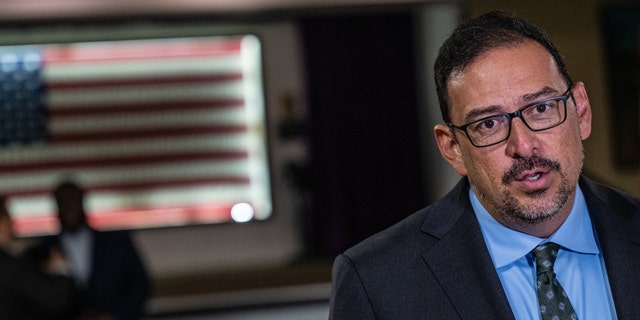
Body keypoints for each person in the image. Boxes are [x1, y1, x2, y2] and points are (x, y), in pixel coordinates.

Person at [329, 10, 640, 319]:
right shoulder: (376, 283)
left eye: (542, 108)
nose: (523, 145)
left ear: (581, 112)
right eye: (489, 124)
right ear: (452, 148)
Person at [29, 180, 152, 320]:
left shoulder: (116, 242)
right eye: (63, 202)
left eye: (72, 200)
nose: (69, 207)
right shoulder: (42, 251)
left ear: (83, 202)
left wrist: (112, 316)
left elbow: (140, 285)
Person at [0, 196, 76, 320]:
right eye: (9, 219)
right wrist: (60, 267)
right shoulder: (12, 265)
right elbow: (56, 301)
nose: (13, 225)